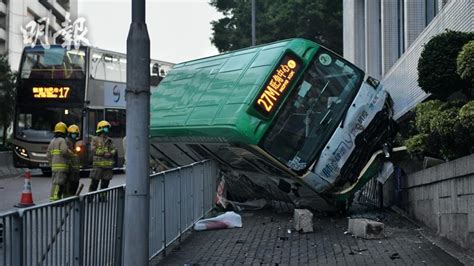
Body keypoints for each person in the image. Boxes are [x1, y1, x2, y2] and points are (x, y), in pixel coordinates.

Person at [88, 120, 116, 196]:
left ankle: (102, 197)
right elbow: (93, 149)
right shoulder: (95, 139)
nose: (107, 129)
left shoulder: (110, 140)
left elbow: (114, 149)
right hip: (98, 166)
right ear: (101, 128)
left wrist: (110, 153)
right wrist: (103, 153)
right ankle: (90, 197)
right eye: (105, 128)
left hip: (108, 166)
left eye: (107, 128)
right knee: (94, 182)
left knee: (105, 183)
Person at [47, 122, 72, 201]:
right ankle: (54, 199)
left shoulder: (52, 141)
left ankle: (54, 198)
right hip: (61, 166)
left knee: (55, 182)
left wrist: (51, 164)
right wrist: (70, 153)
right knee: (58, 183)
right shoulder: (62, 140)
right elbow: (64, 151)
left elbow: (48, 154)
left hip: (54, 166)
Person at [65, 124, 81, 197]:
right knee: (69, 182)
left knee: (76, 182)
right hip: (69, 166)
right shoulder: (67, 142)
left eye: (76, 134)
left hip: (76, 168)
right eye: (73, 134)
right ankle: (67, 196)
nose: (74, 136)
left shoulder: (76, 142)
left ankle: (72, 195)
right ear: (69, 134)